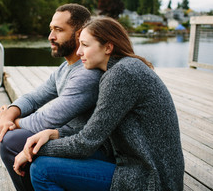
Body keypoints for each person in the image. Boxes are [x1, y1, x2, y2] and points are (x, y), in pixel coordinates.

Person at [14, 17, 185, 191]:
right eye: (79, 44)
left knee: (42, 170)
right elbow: (96, 131)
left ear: (108, 47)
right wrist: (54, 134)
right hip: (139, 165)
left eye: (85, 45)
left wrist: (32, 151)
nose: (79, 52)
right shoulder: (122, 69)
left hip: (150, 179)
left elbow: (85, 144)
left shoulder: (121, 75)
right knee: (44, 164)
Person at [0, 4, 104, 191]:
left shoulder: (87, 73)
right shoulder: (65, 68)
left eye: (58, 30)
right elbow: (33, 98)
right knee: (2, 120)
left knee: (11, 140)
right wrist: (8, 114)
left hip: (84, 145)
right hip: (64, 134)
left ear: (79, 34)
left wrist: (12, 122)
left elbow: (47, 120)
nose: (50, 37)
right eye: (51, 29)